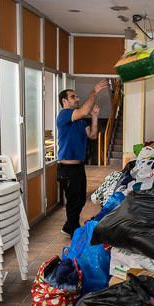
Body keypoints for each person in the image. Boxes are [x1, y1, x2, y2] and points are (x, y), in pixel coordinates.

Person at [56, 80, 108, 237]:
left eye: (76, 96)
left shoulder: (79, 120)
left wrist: (95, 117)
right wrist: (94, 91)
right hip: (66, 168)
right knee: (73, 202)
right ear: (64, 101)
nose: (77, 99)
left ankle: (68, 227)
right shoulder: (64, 115)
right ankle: (74, 233)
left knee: (79, 201)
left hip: (78, 167)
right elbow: (84, 110)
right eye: (73, 97)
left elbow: (92, 135)